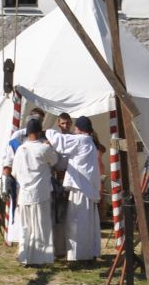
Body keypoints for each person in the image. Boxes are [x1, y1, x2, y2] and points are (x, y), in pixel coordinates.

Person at [7, 117, 64, 266]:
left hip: (25, 193)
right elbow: (55, 161)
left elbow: (14, 172)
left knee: (26, 227)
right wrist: (49, 147)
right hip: (40, 193)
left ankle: (25, 257)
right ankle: (41, 258)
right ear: (39, 132)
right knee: (41, 226)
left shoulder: (20, 149)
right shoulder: (44, 148)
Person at [47, 114, 103, 264]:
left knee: (77, 223)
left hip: (81, 188)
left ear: (78, 128)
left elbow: (59, 141)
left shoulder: (82, 139)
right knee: (88, 223)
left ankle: (78, 255)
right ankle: (89, 252)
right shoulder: (89, 140)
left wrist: (47, 130)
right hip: (86, 188)